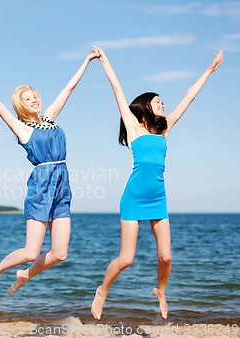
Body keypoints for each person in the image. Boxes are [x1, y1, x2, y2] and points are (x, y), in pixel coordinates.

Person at [90, 46, 223, 320]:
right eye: (158, 101)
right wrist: (104, 60)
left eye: (163, 101)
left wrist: (209, 70)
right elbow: (117, 88)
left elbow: (190, 96)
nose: (163, 104)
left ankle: (161, 290)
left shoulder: (166, 127)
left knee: (166, 257)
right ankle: (102, 290)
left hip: (158, 198)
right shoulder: (134, 127)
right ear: (145, 106)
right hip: (133, 197)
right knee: (126, 259)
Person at [0, 52, 98, 295]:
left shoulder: (50, 119)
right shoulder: (22, 128)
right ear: (21, 105)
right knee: (30, 252)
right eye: (28, 99)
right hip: (41, 186)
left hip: (62, 185)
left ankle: (26, 274)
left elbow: (68, 89)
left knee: (60, 253)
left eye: (35, 96)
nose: (34, 100)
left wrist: (87, 62)